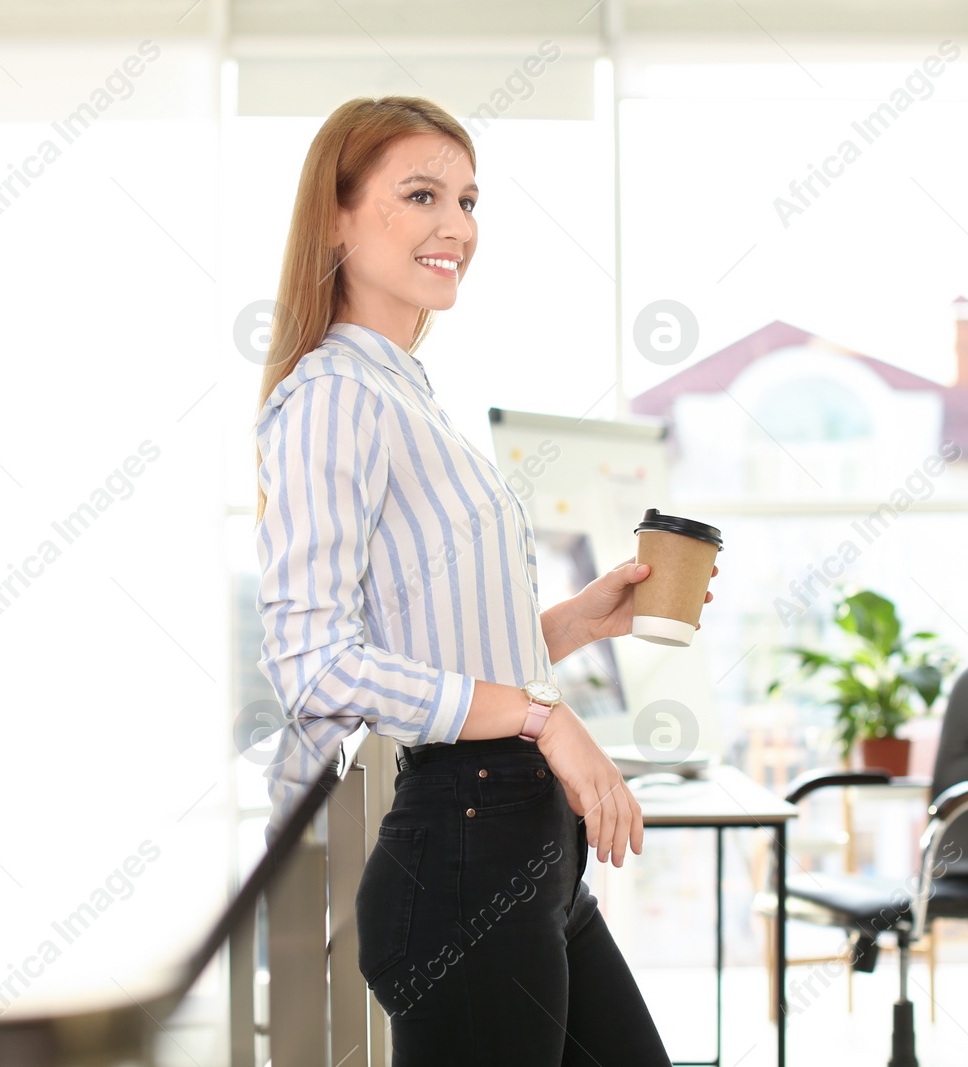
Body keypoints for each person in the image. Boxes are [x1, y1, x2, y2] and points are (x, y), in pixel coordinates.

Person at [250, 95, 716, 1065]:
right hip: (464, 849)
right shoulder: (332, 396)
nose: (457, 225)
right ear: (335, 216)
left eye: (468, 199)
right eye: (421, 195)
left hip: (523, 846)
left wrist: (576, 625)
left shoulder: (402, 394)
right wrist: (543, 715)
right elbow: (316, 667)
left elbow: (429, 644)